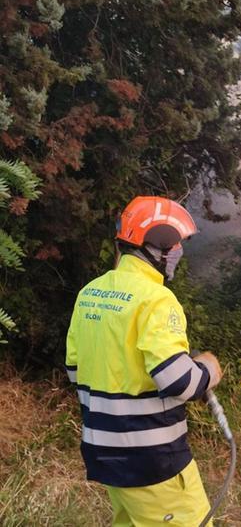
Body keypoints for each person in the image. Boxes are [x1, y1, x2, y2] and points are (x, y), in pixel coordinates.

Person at [65, 196, 224, 526]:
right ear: (158, 245)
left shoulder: (90, 293)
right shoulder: (156, 299)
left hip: (103, 453)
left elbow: (74, 370)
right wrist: (209, 367)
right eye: (176, 244)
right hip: (153, 463)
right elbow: (180, 382)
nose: (180, 251)